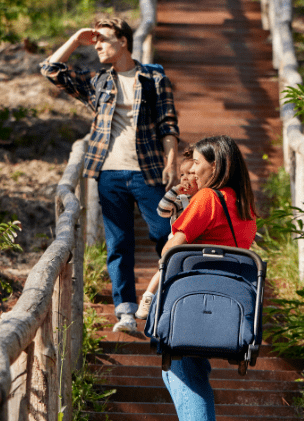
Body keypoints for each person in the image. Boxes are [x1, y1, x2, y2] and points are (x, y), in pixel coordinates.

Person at [40, 18, 179, 333]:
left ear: (124, 41)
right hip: (109, 173)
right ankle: (126, 311)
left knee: (164, 234)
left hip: (147, 170)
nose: (98, 45)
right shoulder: (98, 81)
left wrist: (172, 160)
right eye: (95, 41)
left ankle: (167, 297)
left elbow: (167, 123)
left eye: (103, 39)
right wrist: (76, 38)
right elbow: (50, 69)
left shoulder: (154, 78)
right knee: (119, 243)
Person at [157, 135, 257, 421]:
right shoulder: (244, 204)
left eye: (197, 163)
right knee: (183, 368)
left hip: (194, 301)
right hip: (226, 304)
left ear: (215, 166)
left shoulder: (207, 199)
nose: (193, 169)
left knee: (181, 367)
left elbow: (172, 247)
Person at [135, 147, 198, 319]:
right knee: (163, 268)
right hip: (177, 241)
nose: (185, 178)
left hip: (196, 243)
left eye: (190, 174)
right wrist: (174, 191)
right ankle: (148, 296)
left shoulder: (205, 198)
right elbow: (162, 211)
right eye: (182, 174)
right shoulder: (180, 200)